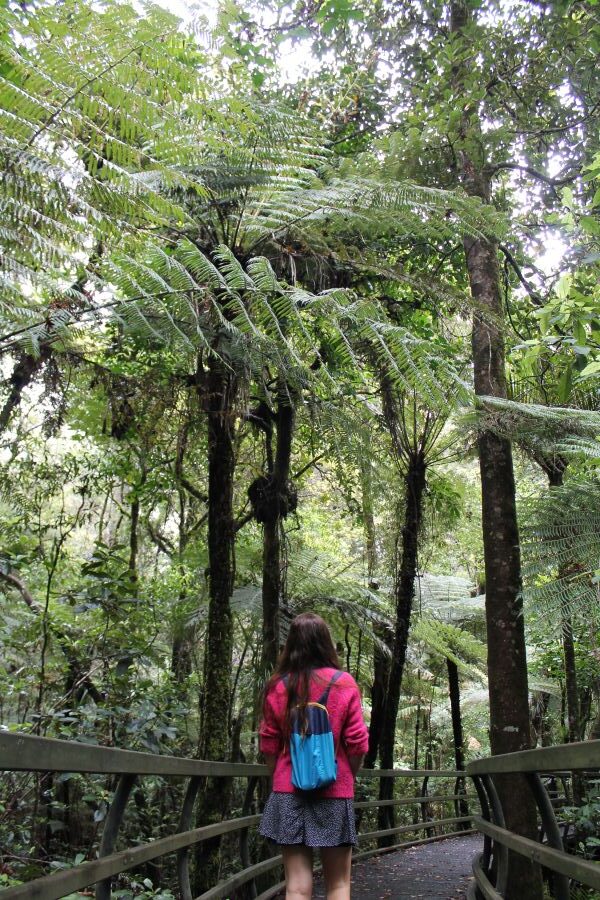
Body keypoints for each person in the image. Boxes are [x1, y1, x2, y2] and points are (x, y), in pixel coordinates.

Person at [258, 612, 369, 899]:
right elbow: (357, 742)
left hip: (288, 791)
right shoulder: (344, 683)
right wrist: (347, 775)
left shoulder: (277, 686)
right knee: (339, 884)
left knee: (296, 886)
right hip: (335, 790)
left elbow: (269, 742)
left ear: (291, 645)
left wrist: (280, 775)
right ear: (326, 643)